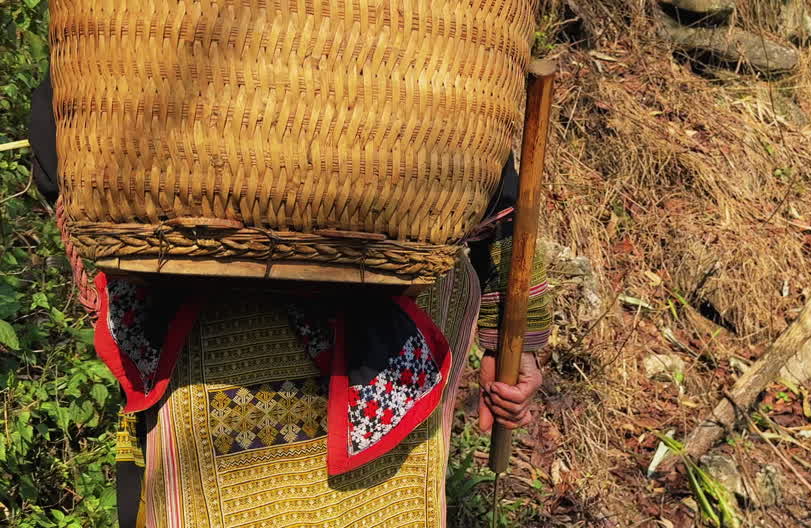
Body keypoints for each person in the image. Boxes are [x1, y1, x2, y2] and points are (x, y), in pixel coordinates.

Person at [29, 74, 553, 527]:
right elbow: (495, 184)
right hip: (368, 297)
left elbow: (68, 145)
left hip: (207, 283)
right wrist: (514, 337)